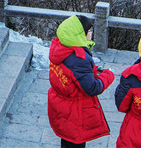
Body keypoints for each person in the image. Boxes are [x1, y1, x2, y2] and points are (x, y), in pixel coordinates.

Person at [48, 15, 115, 148]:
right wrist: (108, 75)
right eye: (90, 30)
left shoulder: (60, 48)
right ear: (81, 34)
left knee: (66, 141)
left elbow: (71, 72)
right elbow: (92, 88)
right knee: (75, 143)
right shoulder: (80, 59)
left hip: (61, 106)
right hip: (75, 113)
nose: (91, 33)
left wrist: (92, 70)